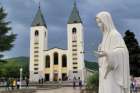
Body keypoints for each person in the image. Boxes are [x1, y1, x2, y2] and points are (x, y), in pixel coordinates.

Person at [95, 11, 130, 93]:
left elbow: (123, 51)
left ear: (105, 21)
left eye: (100, 22)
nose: (98, 25)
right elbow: (105, 52)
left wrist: (108, 54)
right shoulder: (104, 36)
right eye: (97, 23)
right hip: (104, 72)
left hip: (112, 73)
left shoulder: (114, 34)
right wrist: (101, 51)